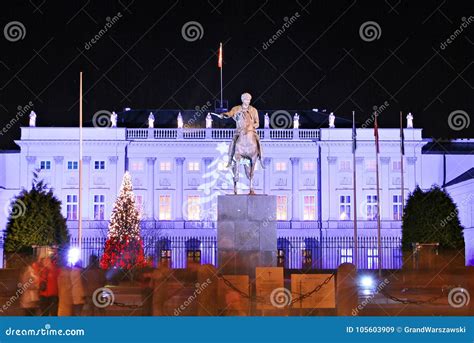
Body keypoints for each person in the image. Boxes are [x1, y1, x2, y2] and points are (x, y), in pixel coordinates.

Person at [219, 92, 263, 168]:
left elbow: (257, 123)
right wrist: (224, 115)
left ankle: (261, 157)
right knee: (233, 141)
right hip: (240, 131)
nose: (248, 101)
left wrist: (250, 127)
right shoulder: (236, 109)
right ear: (242, 100)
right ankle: (230, 160)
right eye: (246, 99)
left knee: (258, 140)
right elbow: (230, 114)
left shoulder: (254, 110)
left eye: (249, 99)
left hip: (251, 131)